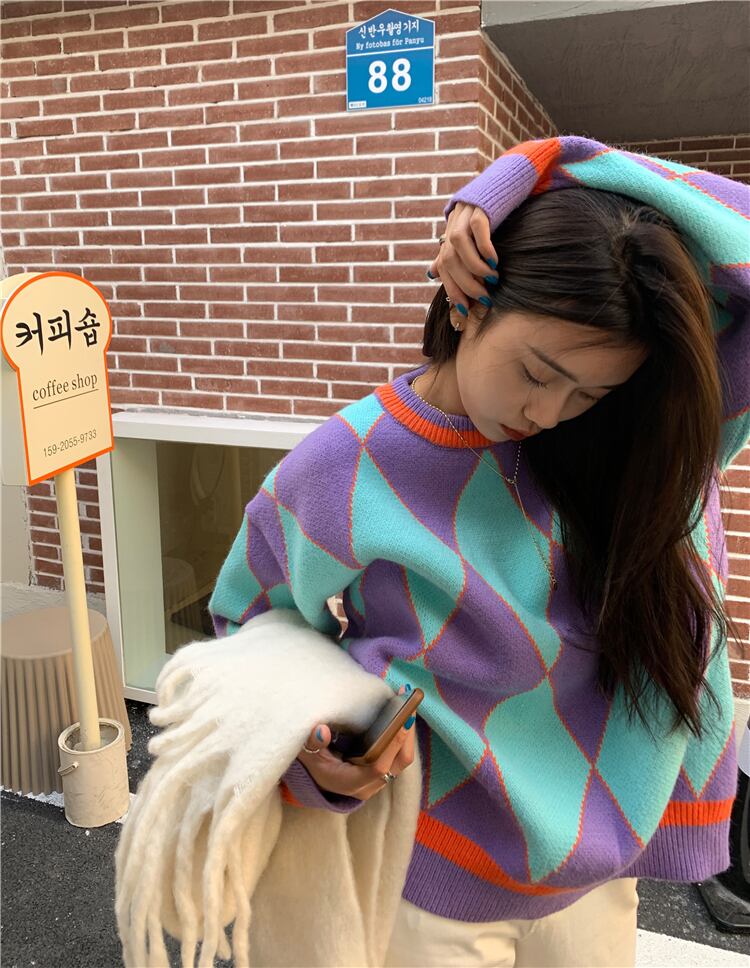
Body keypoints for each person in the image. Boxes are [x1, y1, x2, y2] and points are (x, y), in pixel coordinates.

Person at [207, 136, 750, 967]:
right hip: (428, 876)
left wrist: (535, 167)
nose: (550, 411)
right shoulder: (349, 463)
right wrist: (312, 754)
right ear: (469, 303)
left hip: (595, 876)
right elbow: (245, 628)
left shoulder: (637, 446)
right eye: (537, 371)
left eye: (588, 391)